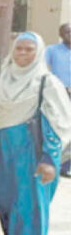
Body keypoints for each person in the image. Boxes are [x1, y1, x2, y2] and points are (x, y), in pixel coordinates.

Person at [0, 32, 71, 235]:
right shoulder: (4, 78)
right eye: (19, 49)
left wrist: (49, 159)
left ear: (38, 53)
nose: (23, 54)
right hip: (3, 150)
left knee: (27, 204)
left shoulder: (46, 82)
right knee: (5, 201)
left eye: (29, 50)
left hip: (31, 152)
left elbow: (59, 121)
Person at [44, 22, 71, 177]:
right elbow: (42, 65)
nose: (70, 34)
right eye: (67, 32)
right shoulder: (52, 50)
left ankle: (66, 166)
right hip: (59, 95)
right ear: (61, 35)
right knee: (58, 127)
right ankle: (55, 161)